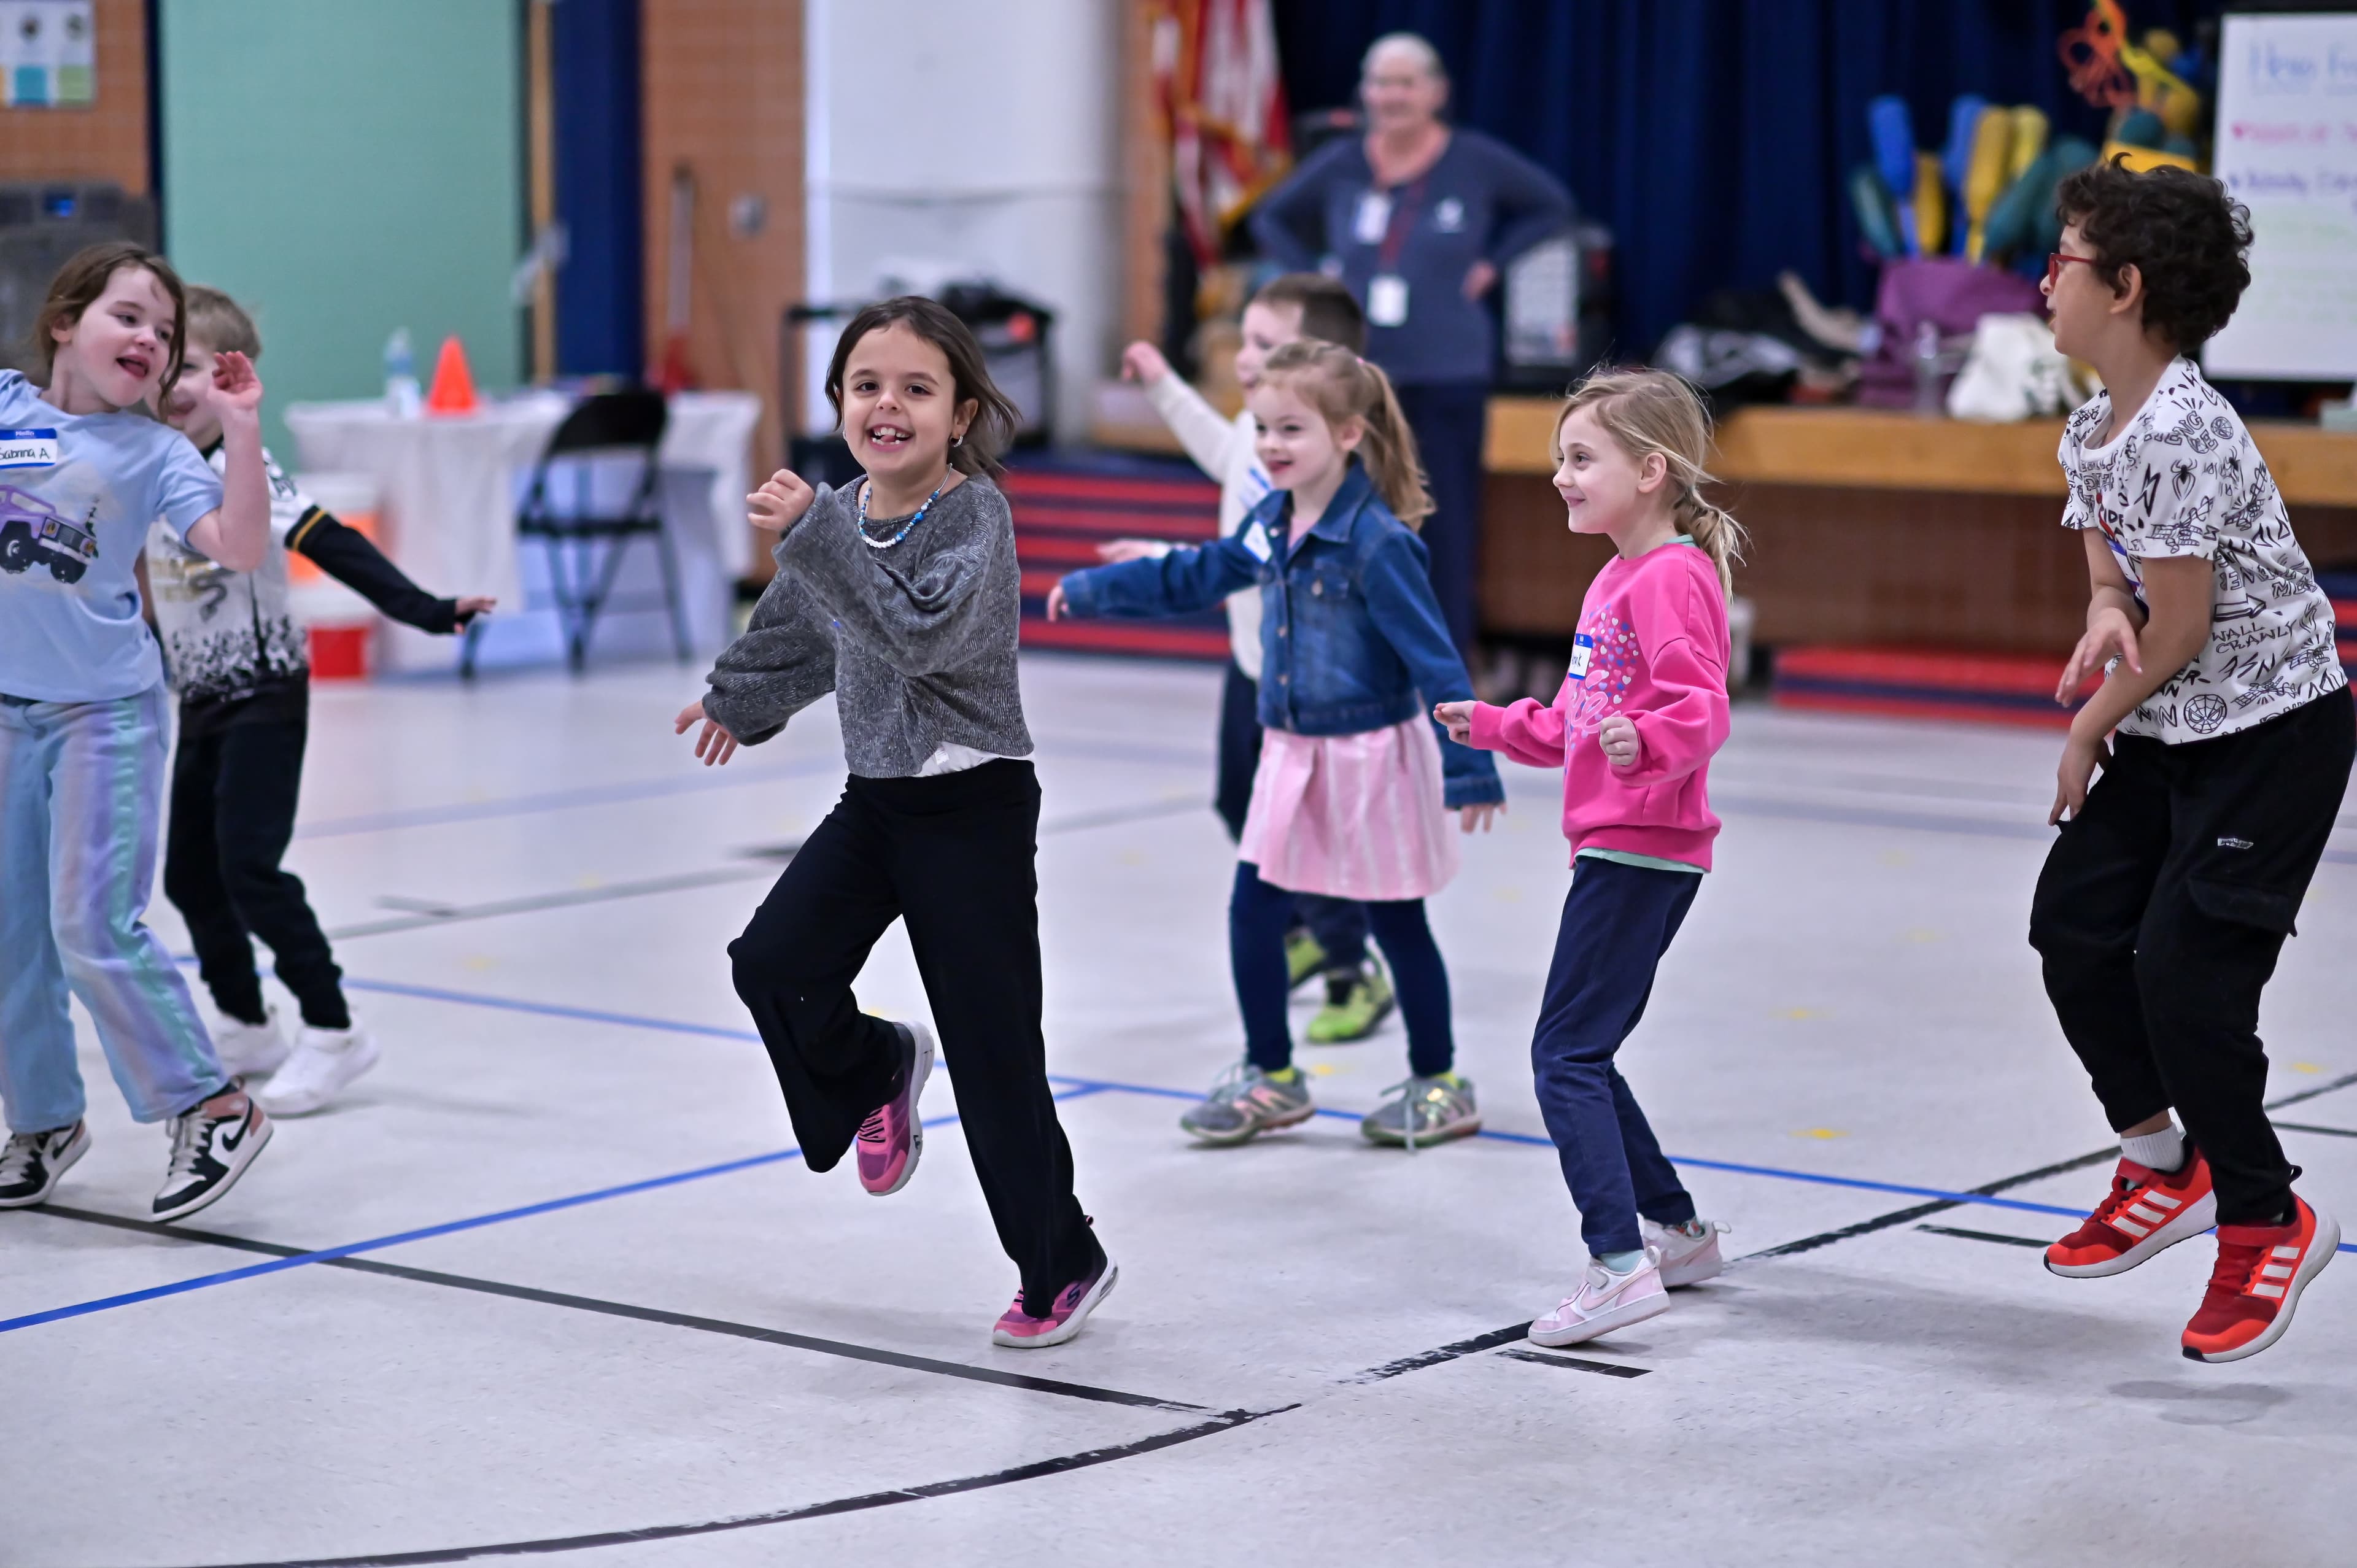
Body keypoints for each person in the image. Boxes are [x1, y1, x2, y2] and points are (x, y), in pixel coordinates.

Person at [675, 296, 1112, 1350]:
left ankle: (1065, 1261)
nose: (889, 405)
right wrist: (739, 696)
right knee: (772, 961)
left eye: (918, 389)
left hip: (973, 810)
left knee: (995, 1048)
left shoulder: (978, 520)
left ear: (960, 414)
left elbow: (917, 634)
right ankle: (872, 1064)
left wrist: (818, 535)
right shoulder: (841, 515)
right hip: (879, 800)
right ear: (837, 402)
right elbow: (803, 629)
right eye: (868, 385)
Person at [2027, 159, 2350, 1364]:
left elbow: (2185, 629)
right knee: (2073, 928)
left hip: (2272, 735)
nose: (2040, 283)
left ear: (2124, 287)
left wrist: (2085, 721)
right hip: (2176, 724)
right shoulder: (2092, 424)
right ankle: (2168, 1159)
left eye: (2058, 262)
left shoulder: (2181, 427)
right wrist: (2101, 603)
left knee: (2186, 972)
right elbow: (2123, 578)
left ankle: (2268, 1213)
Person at [1051, 341, 1505, 1147]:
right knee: (1253, 909)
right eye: (1262, 427)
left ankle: (1440, 1080)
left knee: (1396, 920)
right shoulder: (1271, 520)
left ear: (1349, 435)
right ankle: (1272, 1073)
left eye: (1291, 428)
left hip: (1370, 755)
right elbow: (1199, 574)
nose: (1270, 445)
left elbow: (1436, 659)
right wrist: (1095, 589)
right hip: (1291, 752)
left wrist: (1469, 765)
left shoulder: (1377, 541)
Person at [1439, 368, 1743, 1347]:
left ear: (1651, 469)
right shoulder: (1615, 575)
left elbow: (1701, 707)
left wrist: (1647, 747)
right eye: (1558, 460)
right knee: (1587, 1047)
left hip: (1643, 845)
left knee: (1562, 1054)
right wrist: (1493, 724)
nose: (1562, 477)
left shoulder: (1672, 575)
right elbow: (1579, 720)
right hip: (1618, 841)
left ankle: (1618, 1265)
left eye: (1582, 458)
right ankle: (1679, 1234)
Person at [143, 286, 497, 1116]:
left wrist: (426, 606)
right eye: (165, 368)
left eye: (193, 367)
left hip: (265, 694)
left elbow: (331, 542)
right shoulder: (148, 465)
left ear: (233, 377)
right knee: (190, 877)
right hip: (196, 696)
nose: (175, 387)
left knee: (249, 868)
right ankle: (245, 1020)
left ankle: (335, 1028)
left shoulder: (249, 469)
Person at [0, 242, 274, 1219]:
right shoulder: (5, 409)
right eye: (129, 317)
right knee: (11, 935)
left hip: (101, 713)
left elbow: (240, 546)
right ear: (66, 322)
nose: (151, 341)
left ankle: (212, 1103)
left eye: (165, 333)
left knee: (89, 920)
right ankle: (41, 1121)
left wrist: (239, 429)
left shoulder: (157, 451)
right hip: (5, 712)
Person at [1107, 273, 1391, 1043]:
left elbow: (1259, 556)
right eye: (1249, 336)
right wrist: (1164, 384)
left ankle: (1351, 968)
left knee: (1298, 829)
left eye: (1269, 345)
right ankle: (1310, 925)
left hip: (1308, 686)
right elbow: (1215, 446)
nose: (1246, 355)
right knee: (1238, 802)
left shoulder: (1311, 464)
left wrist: (1162, 557)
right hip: (1250, 669)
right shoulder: (1256, 434)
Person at [1251, 31, 1574, 655]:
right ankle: (1357, 653)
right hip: (1359, 377)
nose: (1391, 96)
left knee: (1442, 525)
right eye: (1380, 83)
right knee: (1353, 519)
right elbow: (1270, 217)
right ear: (1365, 93)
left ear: (1435, 92)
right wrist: (1317, 274)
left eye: (1405, 83)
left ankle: (1444, 667)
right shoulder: (1345, 162)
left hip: (1446, 373)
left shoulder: (1473, 159)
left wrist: (1492, 264)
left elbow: (1551, 206)